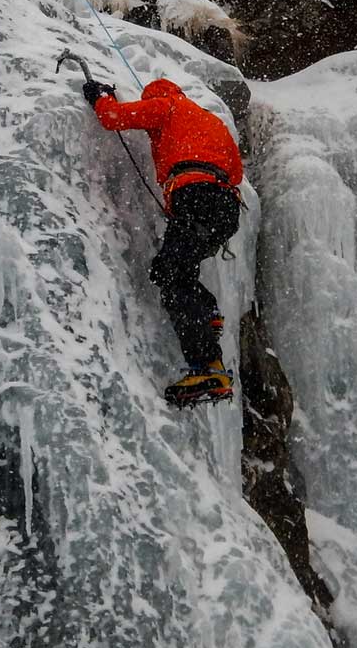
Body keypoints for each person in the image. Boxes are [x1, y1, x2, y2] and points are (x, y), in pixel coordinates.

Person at [82, 76, 243, 404]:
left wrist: (101, 96)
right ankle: (207, 311)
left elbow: (113, 118)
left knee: (171, 275)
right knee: (175, 267)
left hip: (194, 195)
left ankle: (206, 366)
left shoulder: (166, 105)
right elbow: (236, 172)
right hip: (226, 206)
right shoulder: (211, 119)